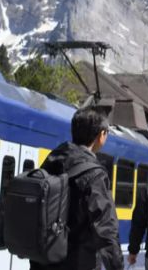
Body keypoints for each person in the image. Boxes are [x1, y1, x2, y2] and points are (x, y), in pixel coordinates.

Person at [31, 106, 124, 270]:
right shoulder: (94, 174)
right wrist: (116, 266)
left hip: (43, 261)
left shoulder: (51, 161)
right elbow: (106, 229)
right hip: (77, 263)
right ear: (101, 135)